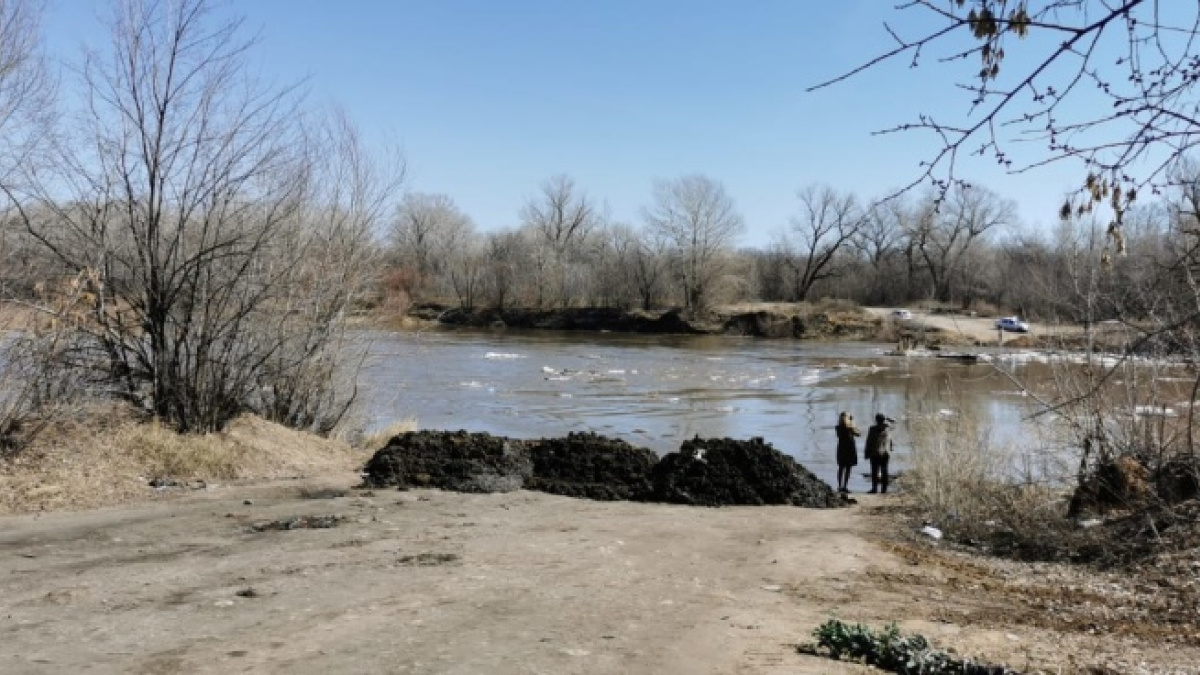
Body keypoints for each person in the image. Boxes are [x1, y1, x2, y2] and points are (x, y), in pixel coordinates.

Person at [863, 413, 895, 494]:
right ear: (883, 420)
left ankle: (874, 489)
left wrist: (866, 452)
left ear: (876, 420)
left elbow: (869, 441)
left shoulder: (872, 429)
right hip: (886, 452)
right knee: (885, 471)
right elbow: (891, 439)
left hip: (875, 452)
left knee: (874, 471)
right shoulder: (888, 428)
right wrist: (888, 418)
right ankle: (884, 490)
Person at [834, 411, 861, 493]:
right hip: (850, 448)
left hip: (841, 449)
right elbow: (859, 433)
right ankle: (845, 486)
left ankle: (839, 486)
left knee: (841, 467)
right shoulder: (850, 428)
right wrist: (853, 422)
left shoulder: (838, 427)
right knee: (848, 468)